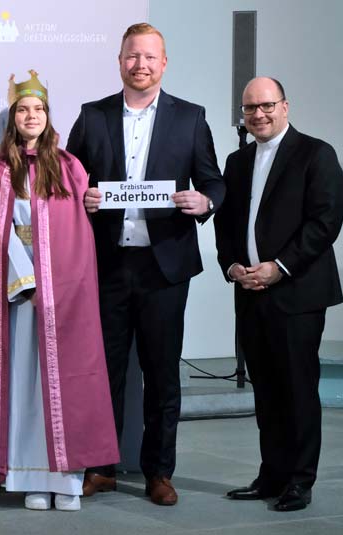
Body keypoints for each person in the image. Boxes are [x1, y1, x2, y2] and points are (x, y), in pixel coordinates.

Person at [65, 22, 225, 505]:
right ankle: (101, 467)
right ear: (119, 61)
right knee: (103, 374)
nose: (141, 65)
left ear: (164, 63)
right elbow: (67, 181)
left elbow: (213, 182)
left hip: (165, 269)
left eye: (150, 57)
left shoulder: (191, 118)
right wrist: (82, 197)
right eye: (133, 56)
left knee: (161, 375)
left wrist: (205, 204)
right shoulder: (91, 117)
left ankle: (159, 472)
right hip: (106, 265)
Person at [0, 71, 119, 511]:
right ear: (13, 118)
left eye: (38, 109)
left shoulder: (70, 166)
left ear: (48, 116)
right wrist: (25, 280)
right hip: (18, 295)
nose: (31, 116)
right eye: (23, 109)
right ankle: (31, 480)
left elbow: (78, 232)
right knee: (24, 383)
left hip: (63, 297)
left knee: (65, 384)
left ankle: (65, 480)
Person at [214, 77, 343, 512]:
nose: (259, 114)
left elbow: (324, 222)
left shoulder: (316, 153)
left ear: (285, 106)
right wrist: (233, 265)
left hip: (297, 294)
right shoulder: (236, 162)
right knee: (266, 392)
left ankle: (300, 481)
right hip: (250, 292)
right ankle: (271, 475)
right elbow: (226, 224)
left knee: (298, 391)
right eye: (250, 108)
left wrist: (279, 268)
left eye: (267, 105)